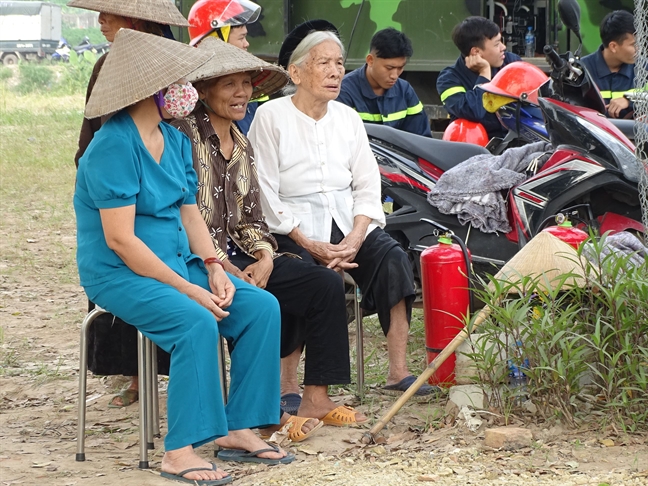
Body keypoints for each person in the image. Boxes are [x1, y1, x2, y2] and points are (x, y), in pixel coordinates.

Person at [75, 29, 292, 484]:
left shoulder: (173, 141)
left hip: (179, 264)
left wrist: (214, 266)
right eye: (176, 82)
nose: (186, 91)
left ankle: (238, 428)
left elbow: (191, 215)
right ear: (147, 90)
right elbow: (121, 241)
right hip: (122, 274)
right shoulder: (112, 148)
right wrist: (188, 288)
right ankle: (180, 452)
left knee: (259, 308)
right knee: (195, 320)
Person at [249, 21, 438, 412]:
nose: (336, 71)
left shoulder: (347, 117)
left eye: (338, 63)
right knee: (306, 274)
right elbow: (263, 189)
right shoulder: (271, 117)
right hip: (292, 224)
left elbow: (368, 183)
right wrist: (306, 241)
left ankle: (398, 371)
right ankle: (289, 383)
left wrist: (357, 234)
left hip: (344, 219)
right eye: (324, 63)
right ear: (297, 73)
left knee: (392, 257)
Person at [171, 37, 336, 435]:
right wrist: (225, 266)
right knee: (252, 302)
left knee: (323, 283)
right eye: (229, 85)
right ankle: (261, 414)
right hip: (197, 258)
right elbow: (184, 217)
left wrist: (264, 257)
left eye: (245, 83)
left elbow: (251, 216)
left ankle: (315, 396)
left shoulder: (242, 143)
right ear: (203, 90)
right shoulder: (183, 136)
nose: (242, 92)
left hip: (243, 255)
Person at [68, 0, 190, 409]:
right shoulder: (109, 67)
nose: (100, 20)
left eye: (108, 13)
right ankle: (136, 376)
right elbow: (97, 127)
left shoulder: (171, 64)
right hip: (118, 193)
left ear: (135, 18)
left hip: (166, 185)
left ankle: (171, 377)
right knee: (124, 256)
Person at [436, 17, 521, 139]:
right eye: (497, 44)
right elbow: (473, 112)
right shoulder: (448, 79)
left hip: (519, 142)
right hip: (480, 150)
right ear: (476, 52)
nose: (503, 47)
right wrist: (484, 75)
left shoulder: (511, 63)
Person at [337, 27, 431, 137]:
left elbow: (422, 139)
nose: (394, 76)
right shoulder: (343, 91)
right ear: (370, 60)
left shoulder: (405, 91)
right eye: (389, 68)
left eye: (400, 68)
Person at [188, 0, 265, 134]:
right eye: (241, 38)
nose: (246, 44)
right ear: (216, 40)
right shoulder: (186, 128)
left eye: (246, 83)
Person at [580, 10, 636, 119]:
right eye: (634, 44)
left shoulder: (644, 69)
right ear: (613, 46)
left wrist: (630, 100)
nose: (639, 49)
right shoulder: (582, 71)